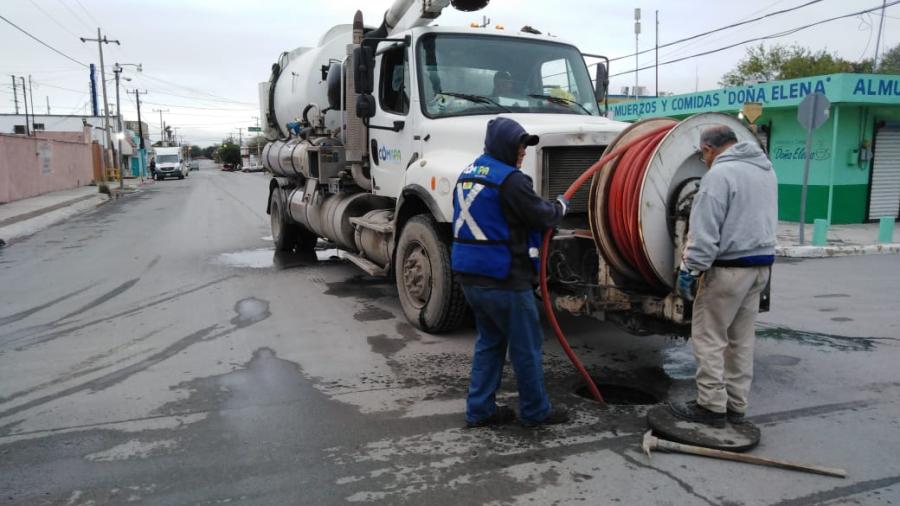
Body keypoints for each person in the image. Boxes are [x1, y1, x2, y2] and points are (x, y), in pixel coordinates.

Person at [452, 117, 570, 428]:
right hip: (504, 279)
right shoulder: (511, 180)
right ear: (503, 144)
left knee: (489, 343)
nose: (522, 152)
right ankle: (535, 412)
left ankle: (480, 410)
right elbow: (542, 215)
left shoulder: (466, 175)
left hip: (470, 277)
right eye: (519, 145)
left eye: (524, 146)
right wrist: (560, 207)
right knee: (526, 349)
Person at [671, 125, 778, 428]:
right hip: (760, 267)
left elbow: (704, 233)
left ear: (708, 148)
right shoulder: (765, 171)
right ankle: (736, 405)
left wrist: (691, 269)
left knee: (709, 337)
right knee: (741, 340)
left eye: (703, 154)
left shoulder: (718, 176)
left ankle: (711, 406)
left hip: (728, 270)